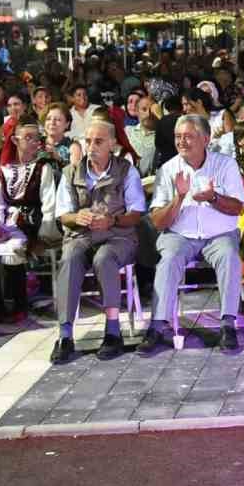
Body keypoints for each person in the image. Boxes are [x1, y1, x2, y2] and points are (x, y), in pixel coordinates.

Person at [141, 114, 244, 352]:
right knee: (168, 260)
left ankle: (228, 325)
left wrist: (213, 197)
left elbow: (237, 208)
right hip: (180, 235)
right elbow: (158, 222)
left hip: (219, 234)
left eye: (188, 136)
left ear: (206, 139)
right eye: (178, 137)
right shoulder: (168, 169)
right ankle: (157, 326)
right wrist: (178, 198)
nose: (181, 142)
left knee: (229, 256)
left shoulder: (225, 165)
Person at [52, 118, 146, 362]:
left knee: (105, 258)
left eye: (98, 141)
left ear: (112, 144)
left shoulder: (126, 170)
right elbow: (63, 215)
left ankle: (113, 332)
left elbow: (136, 214)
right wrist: (77, 216)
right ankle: (65, 335)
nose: (91, 146)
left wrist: (112, 221)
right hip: (81, 235)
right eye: (88, 141)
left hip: (118, 236)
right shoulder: (71, 172)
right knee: (70, 258)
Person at [0, 119, 59, 323]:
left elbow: (49, 202)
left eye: (37, 138)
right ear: (14, 140)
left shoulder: (42, 168)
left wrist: (45, 231)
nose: (34, 142)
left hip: (31, 224)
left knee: (12, 252)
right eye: (28, 138)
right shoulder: (4, 170)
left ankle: (17, 305)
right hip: (6, 223)